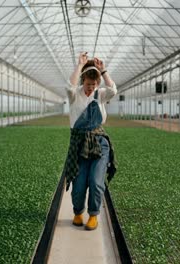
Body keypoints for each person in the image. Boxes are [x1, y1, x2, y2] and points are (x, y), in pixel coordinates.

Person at [61, 52, 117, 231]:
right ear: (82, 80)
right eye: (87, 84)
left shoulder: (100, 94)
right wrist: (79, 65)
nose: (90, 88)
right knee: (78, 183)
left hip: (99, 143)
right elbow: (69, 86)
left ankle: (93, 215)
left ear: (97, 83)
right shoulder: (75, 95)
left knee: (95, 181)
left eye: (94, 84)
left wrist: (103, 70)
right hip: (79, 145)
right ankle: (78, 212)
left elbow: (113, 90)